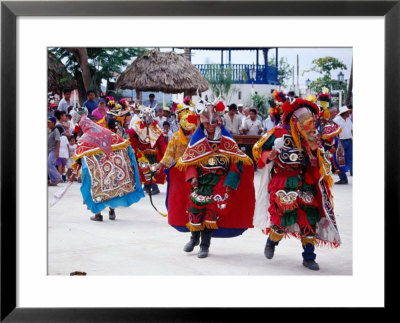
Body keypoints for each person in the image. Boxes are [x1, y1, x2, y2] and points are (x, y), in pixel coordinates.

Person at [252, 98, 341, 271]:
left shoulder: (309, 137)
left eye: (309, 123)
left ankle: (309, 256)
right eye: (304, 122)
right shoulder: (277, 133)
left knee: (309, 217)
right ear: (294, 120)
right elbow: (259, 151)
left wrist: (315, 151)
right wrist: (268, 156)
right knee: (281, 217)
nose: (307, 126)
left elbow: (316, 163)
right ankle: (272, 241)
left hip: (303, 181)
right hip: (281, 181)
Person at [176, 98, 256, 258]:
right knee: (194, 210)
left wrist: (229, 182)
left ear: (218, 121)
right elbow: (189, 161)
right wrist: (192, 177)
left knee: (210, 214)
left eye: (213, 122)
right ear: (201, 124)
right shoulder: (196, 139)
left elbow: (236, 162)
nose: (210, 126)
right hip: (201, 180)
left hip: (219, 181)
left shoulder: (226, 140)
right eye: (206, 124)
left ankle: (205, 245)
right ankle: (194, 239)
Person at [70, 112, 145, 222]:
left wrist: (73, 173)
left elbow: (78, 159)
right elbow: (124, 144)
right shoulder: (108, 133)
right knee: (111, 186)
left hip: (96, 170)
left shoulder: (84, 140)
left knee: (95, 189)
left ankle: (98, 214)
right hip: (110, 166)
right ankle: (111, 211)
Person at [125, 105, 167, 195]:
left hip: (153, 154)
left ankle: (148, 186)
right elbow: (130, 134)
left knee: (152, 170)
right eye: (145, 117)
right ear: (142, 117)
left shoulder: (156, 128)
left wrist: (165, 153)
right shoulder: (137, 126)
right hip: (141, 153)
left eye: (149, 117)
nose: (147, 119)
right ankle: (153, 186)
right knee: (144, 169)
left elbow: (161, 141)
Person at [332, 105, 353, 183]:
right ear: (344, 113)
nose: (349, 113)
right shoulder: (336, 120)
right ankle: (343, 178)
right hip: (340, 142)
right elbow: (333, 133)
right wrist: (334, 144)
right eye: (347, 112)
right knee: (339, 161)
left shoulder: (348, 119)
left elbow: (351, 130)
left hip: (349, 141)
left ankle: (351, 173)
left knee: (351, 158)